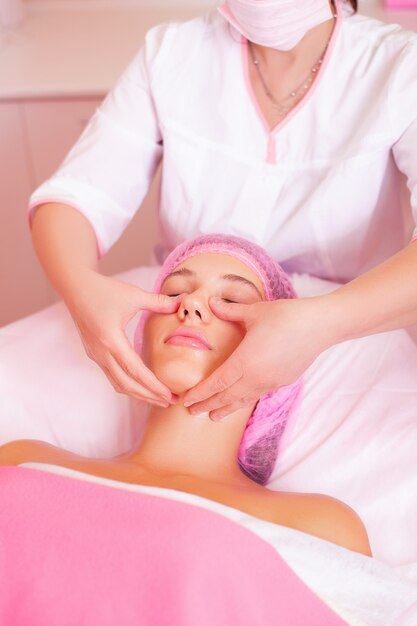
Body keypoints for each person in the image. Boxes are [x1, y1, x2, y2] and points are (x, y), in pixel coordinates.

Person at [27, 0, 417, 421]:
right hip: (185, 343)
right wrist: (79, 286)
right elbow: (76, 196)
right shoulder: (174, 53)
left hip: (344, 337)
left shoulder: (399, 69)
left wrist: (322, 324)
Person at [0, 234, 372, 557]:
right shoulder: (23, 463)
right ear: (139, 339)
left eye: (233, 301)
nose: (190, 305)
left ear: (278, 364)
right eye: (174, 292)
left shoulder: (319, 529)